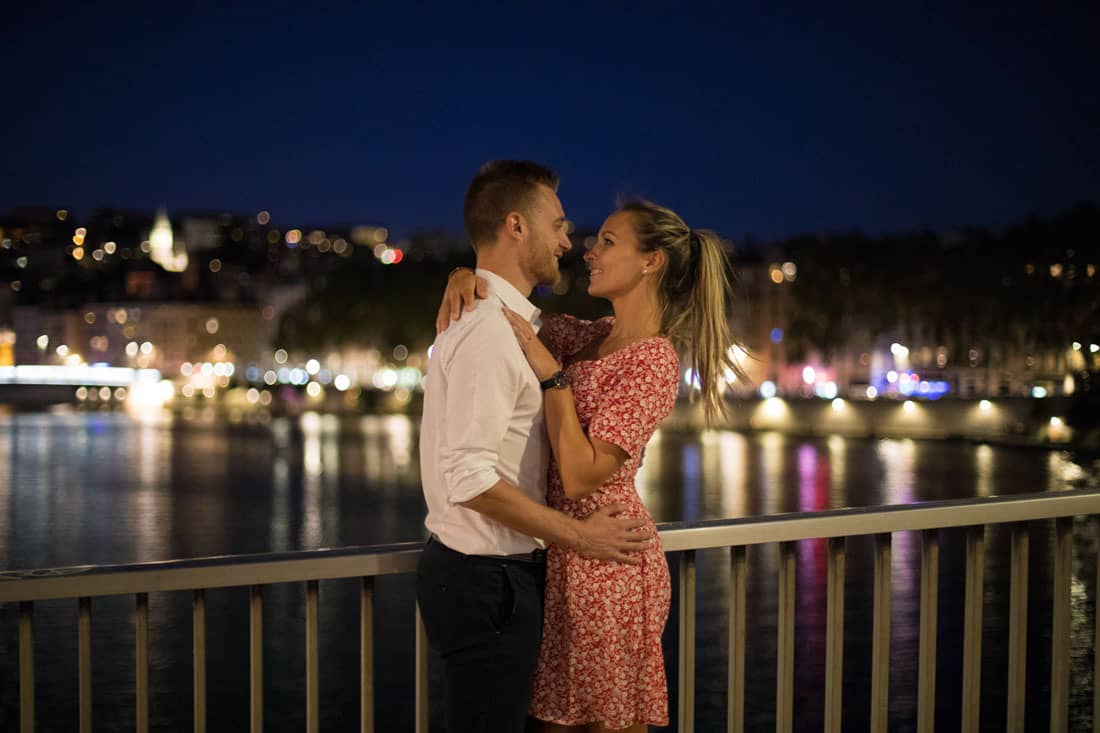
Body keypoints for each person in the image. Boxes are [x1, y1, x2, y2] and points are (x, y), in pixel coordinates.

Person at [439, 200, 744, 732]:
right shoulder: (592, 337)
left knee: (600, 722)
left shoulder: (653, 361)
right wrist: (464, 275)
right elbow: (514, 313)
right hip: (564, 553)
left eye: (608, 241)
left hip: (607, 561)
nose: (589, 249)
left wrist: (554, 380)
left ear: (651, 262)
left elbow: (581, 476)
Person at [416, 160, 654, 733]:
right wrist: (578, 535)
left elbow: (624, 338)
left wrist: (465, 273)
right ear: (517, 226)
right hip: (487, 576)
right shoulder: (492, 331)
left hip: (495, 574)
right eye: (559, 225)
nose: (569, 242)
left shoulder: (506, 321)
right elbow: (468, 477)